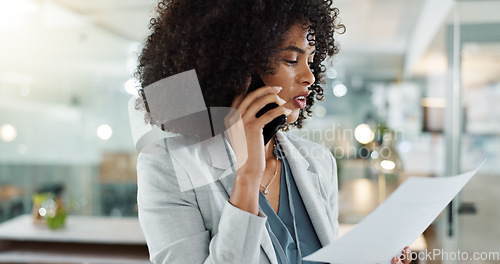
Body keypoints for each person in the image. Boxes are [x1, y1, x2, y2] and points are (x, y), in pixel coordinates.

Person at [134, 0, 412, 263]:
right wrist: (247, 176)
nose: (310, 76)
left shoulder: (318, 161)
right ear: (239, 67)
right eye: (292, 60)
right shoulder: (167, 166)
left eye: (311, 60)